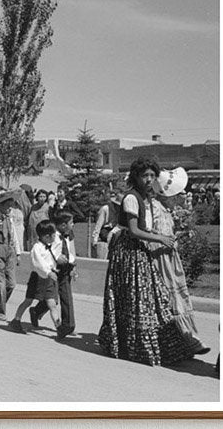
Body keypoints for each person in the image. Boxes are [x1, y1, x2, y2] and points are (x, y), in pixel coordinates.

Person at [97, 157, 192, 366]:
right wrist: (160, 238)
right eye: (145, 176)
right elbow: (134, 230)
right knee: (136, 298)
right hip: (129, 252)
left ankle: (153, 344)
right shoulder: (131, 198)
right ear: (136, 177)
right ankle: (132, 345)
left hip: (140, 251)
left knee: (149, 297)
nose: (149, 180)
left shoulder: (143, 198)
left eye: (152, 176)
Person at [151, 186, 210, 357]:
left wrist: (180, 234)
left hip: (169, 257)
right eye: (174, 196)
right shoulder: (155, 208)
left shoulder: (166, 210)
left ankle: (185, 339)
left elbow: (167, 232)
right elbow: (153, 232)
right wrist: (164, 240)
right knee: (170, 298)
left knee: (178, 296)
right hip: (160, 257)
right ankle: (186, 339)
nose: (176, 199)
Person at [9, 220, 62, 334]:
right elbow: (38, 263)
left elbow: (58, 240)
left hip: (49, 278)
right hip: (38, 277)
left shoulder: (51, 244)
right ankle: (16, 319)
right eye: (53, 235)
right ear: (47, 236)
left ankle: (59, 327)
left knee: (52, 303)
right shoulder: (36, 248)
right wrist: (48, 272)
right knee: (28, 301)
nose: (55, 237)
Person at [52, 210, 77, 340]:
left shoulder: (66, 235)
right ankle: (36, 311)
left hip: (65, 270)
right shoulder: (52, 235)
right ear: (63, 225)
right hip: (53, 271)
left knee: (66, 297)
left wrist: (73, 265)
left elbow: (70, 251)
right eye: (71, 223)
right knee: (50, 299)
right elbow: (45, 250)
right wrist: (57, 257)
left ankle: (67, 326)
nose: (72, 225)